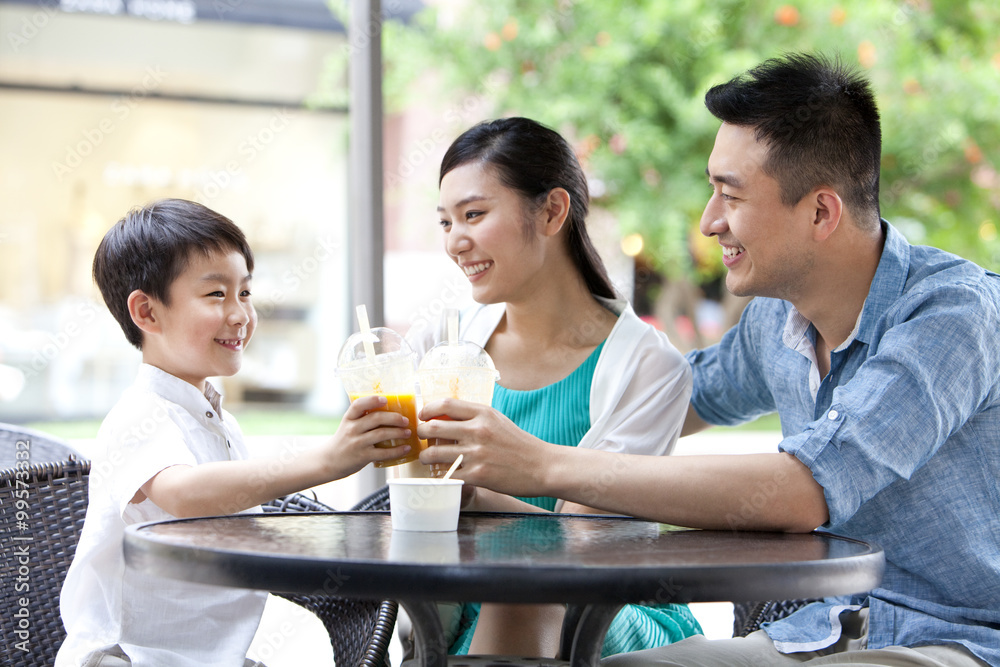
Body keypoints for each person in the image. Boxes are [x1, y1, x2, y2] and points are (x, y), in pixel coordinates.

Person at [419, 54, 1000, 667]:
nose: (708, 220)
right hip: (815, 630)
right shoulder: (777, 320)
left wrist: (540, 466)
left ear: (822, 212)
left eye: (731, 194)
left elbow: (802, 490)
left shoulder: (952, 317)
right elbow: (671, 394)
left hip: (954, 640)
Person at [56, 199, 412, 667]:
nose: (240, 314)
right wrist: (328, 460)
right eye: (215, 295)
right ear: (146, 312)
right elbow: (183, 493)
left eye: (244, 293)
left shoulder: (218, 420)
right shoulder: (139, 414)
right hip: (127, 657)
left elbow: (241, 522)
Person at [407, 117, 702, 657]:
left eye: (473, 214)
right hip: (468, 604)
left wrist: (471, 494)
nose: (456, 241)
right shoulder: (441, 347)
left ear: (552, 210)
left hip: (611, 607)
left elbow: (584, 544)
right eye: (446, 222)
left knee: (526, 585)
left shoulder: (646, 366)